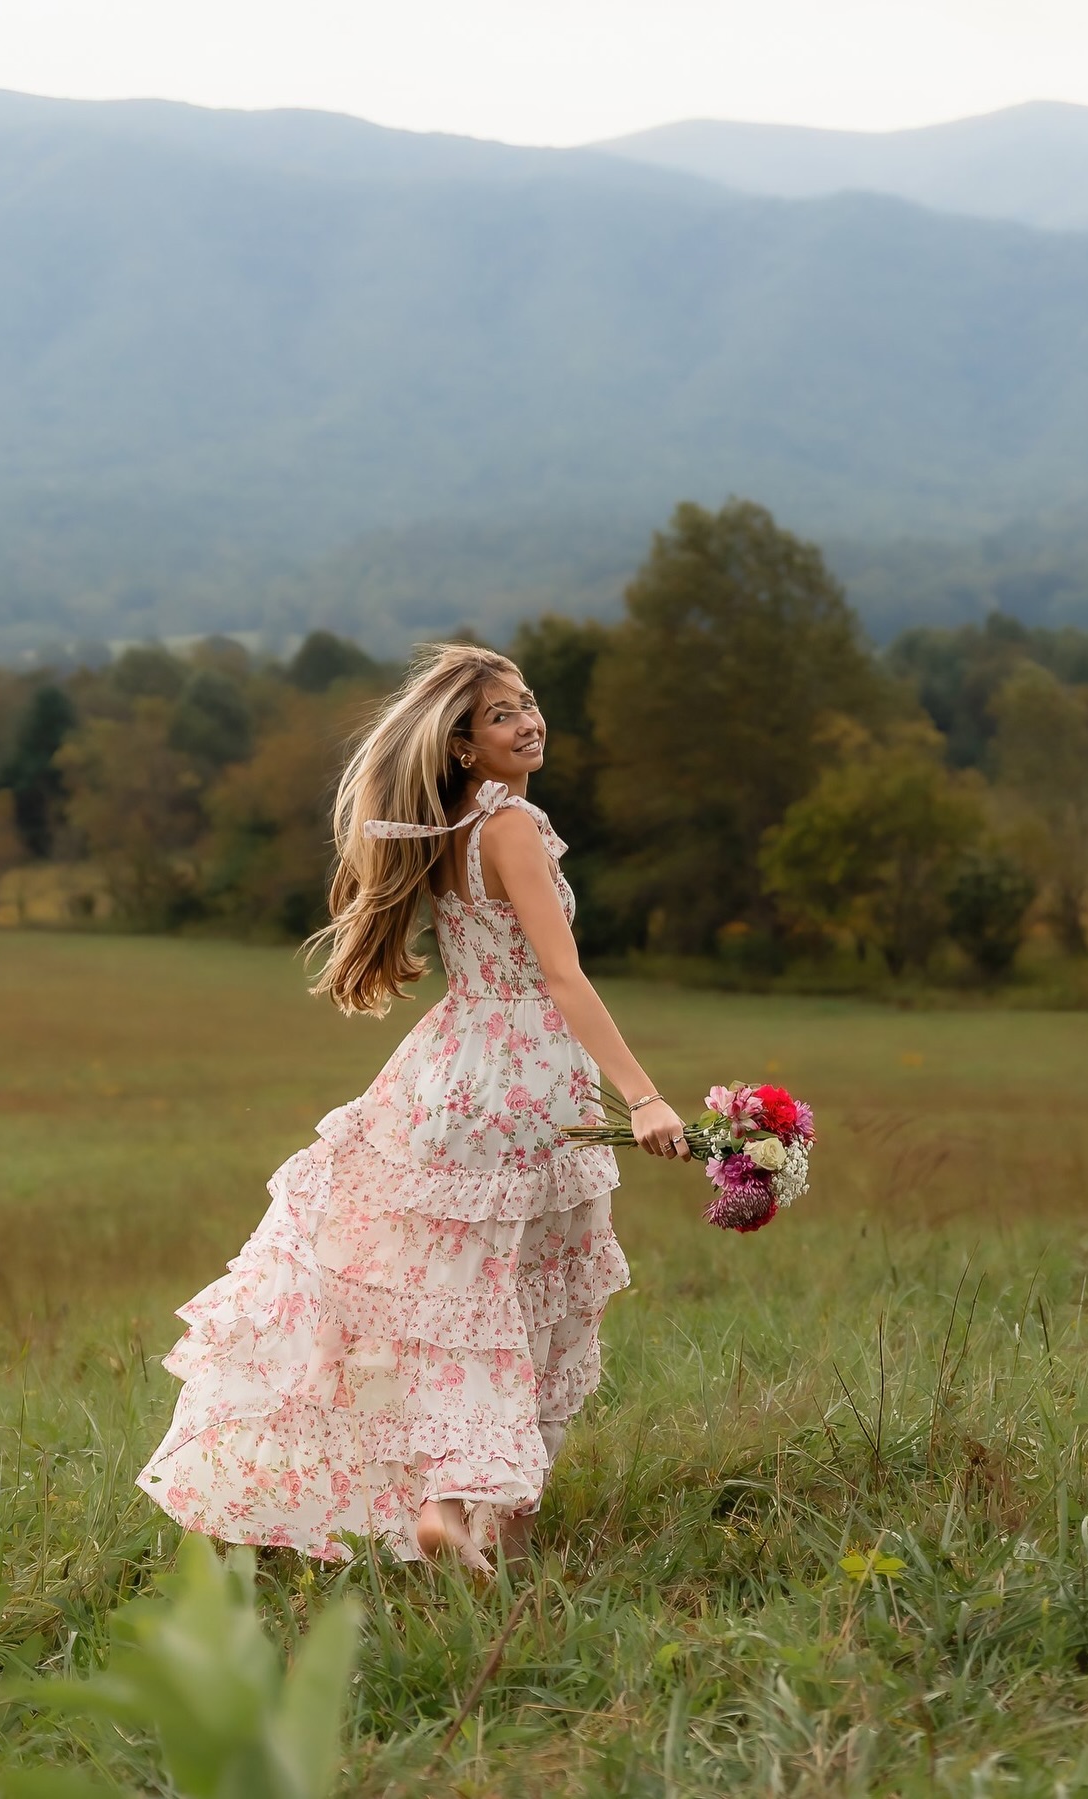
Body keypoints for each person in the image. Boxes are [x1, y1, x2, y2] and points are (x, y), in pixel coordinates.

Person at [136, 643, 692, 1573]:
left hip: (447, 1071)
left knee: (454, 1304)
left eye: (529, 704)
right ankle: (465, 1509)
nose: (531, 721)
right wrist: (644, 1095)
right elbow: (561, 975)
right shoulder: (510, 825)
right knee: (523, 1305)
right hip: (524, 1082)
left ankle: (462, 1511)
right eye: (503, 715)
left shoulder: (452, 829)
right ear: (465, 748)